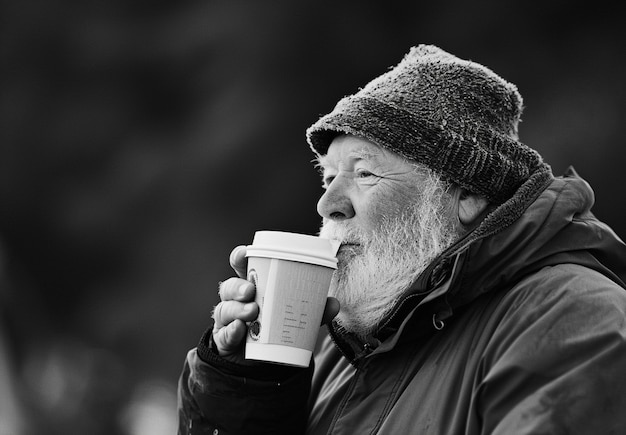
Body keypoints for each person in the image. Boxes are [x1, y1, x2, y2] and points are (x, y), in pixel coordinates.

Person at [177, 45, 626, 434]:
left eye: (364, 173)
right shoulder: (342, 345)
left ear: (466, 194)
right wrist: (245, 383)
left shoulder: (573, 320)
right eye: (328, 177)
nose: (328, 204)